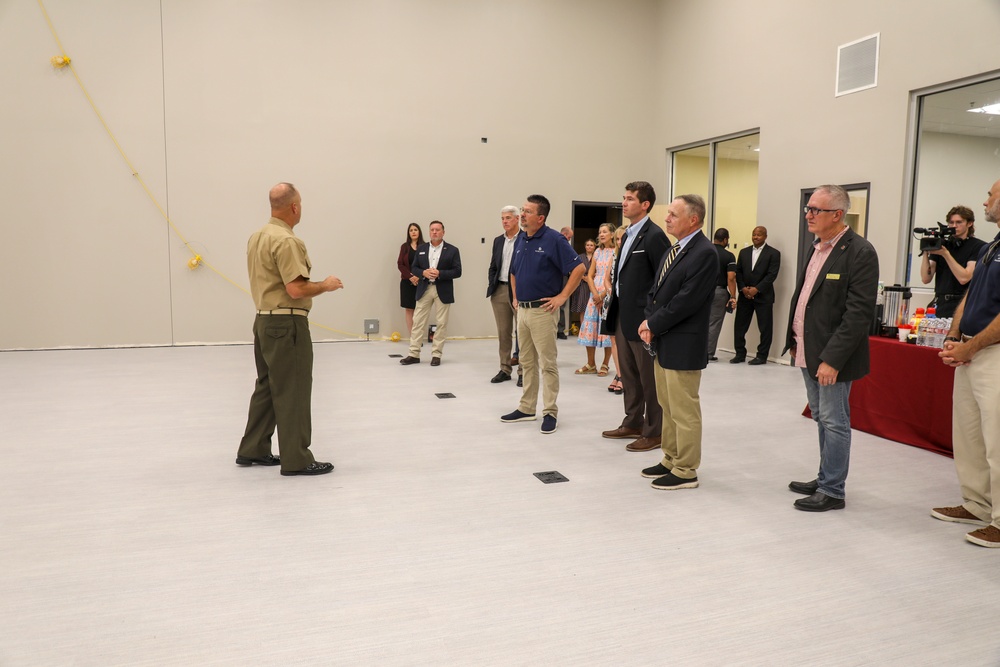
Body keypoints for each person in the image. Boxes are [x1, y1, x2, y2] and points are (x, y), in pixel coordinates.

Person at [236, 182, 342, 477]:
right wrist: (326, 285)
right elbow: (296, 289)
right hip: (287, 323)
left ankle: (253, 448)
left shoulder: (257, 237)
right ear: (294, 206)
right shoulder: (287, 241)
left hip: (263, 321)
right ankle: (297, 458)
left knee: (268, 386)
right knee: (293, 389)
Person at [784, 185, 879, 512]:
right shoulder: (818, 247)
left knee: (835, 420)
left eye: (815, 210)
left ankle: (833, 490)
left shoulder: (860, 252)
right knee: (822, 418)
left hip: (831, 358)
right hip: (807, 350)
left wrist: (832, 360)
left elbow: (858, 314)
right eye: (808, 208)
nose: (808, 215)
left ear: (837, 215)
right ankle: (826, 476)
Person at [934, 178, 1000, 547]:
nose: (986, 200)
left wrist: (971, 347)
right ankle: (977, 504)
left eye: (991, 195)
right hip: (971, 351)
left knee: (997, 439)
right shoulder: (993, 247)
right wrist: (954, 336)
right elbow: (970, 294)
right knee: (971, 435)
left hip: (992, 354)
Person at [637, 194, 717, 490]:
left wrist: (653, 324)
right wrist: (648, 321)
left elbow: (687, 301)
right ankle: (670, 457)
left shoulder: (704, 253)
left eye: (673, 214)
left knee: (684, 409)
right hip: (664, 340)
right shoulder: (677, 248)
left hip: (683, 343)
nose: (667, 218)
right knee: (667, 405)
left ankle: (686, 469)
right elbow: (655, 292)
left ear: (693, 219)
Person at [501, 195, 585, 434]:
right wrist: (516, 297)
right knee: (527, 362)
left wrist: (562, 297)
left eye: (527, 211)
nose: (522, 215)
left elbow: (579, 268)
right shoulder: (521, 239)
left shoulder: (554, 240)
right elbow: (514, 272)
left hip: (543, 311)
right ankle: (527, 408)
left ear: (541, 217)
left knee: (547, 364)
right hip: (524, 312)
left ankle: (550, 411)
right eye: (522, 210)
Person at [601, 181, 669, 452]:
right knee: (628, 375)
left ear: (645, 204)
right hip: (621, 314)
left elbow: (663, 280)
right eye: (624, 198)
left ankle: (654, 431)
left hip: (642, 319)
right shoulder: (628, 234)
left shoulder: (654, 236)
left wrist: (652, 319)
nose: (624, 203)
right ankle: (633, 421)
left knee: (648, 378)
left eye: (630, 199)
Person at [399, 221, 462, 366]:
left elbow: (457, 271)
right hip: (424, 288)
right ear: (429, 232)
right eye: (432, 230)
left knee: (441, 323)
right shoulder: (422, 248)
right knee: (418, 321)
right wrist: (423, 272)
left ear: (443, 232)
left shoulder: (452, 250)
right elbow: (414, 267)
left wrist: (440, 273)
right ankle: (413, 354)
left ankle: (436, 355)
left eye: (437, 230)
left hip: (442, 289)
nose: (434, 232)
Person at [920, 205, 986, 318]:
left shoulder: (978, 246)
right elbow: (926, 278)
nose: (954, 226)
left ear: (969, 223)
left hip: (961, 304)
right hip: (940, 304)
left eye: (959, 222)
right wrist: (926, 252)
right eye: (951, 222)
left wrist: (946, 254)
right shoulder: (943, 245)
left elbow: (964, 278)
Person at [732, 226, 781, 365]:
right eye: (754, 234)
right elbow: (739, 272)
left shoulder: (774, 253)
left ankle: (762, 356)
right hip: (745, 295)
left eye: (759, 235)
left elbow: (772, 275)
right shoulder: (744, 252)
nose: (755, 237)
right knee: (740, 326)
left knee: (765, 327)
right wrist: (742, 288)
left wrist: (757, 289)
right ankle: (740, 353)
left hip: (763, 296)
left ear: (765, 236)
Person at [487, 205, 522, 383]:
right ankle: (505, 369)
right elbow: (493, 265)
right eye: (502, 218)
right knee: (503, 332)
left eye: (508, 218)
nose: (505, 221)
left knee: (523, 333)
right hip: (499, 290)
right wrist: (491, 284)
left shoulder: (525, 238)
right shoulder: (498, 241)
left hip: (519, 292)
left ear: (517, 219)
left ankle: (523, 371)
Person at [575, 224, 615, 376]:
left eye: (604, 232)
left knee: (607, 328)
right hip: (594, 294)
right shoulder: (598, 251)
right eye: (600, 232)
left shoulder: (616, 251)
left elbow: (614, 277)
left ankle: (605, 364)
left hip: (608, 292)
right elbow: (590, 275)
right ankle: (591, 363)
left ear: (612, 234)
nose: (601, 234)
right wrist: (595, 294)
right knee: (590, 327)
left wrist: (603, 294)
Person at [707, 228, 737, 362]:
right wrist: (733, 296)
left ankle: (696, 350)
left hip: (703, 291)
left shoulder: (705, 252)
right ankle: (707, 354)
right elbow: (731, 277)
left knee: (701, 321)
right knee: (714, 323)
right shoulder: (729, 256)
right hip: (719, 292)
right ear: (725, 240)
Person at [605, 226, 628, 394]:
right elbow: (607, 279)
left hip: (626, 302)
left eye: (622, 238)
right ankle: (619, 374)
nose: (620, 242)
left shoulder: (630, 256)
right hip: (612, 301)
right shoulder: (613, 256)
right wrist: (609, 290)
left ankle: (626, 377)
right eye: (618, 239)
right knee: (613, 340)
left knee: (625, 341)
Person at [397, 223, 424, 335]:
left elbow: (427, 264)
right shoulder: (404, 247)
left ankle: (418, 335)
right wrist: (411, 277)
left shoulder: (425, 246)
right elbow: (400, 264)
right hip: (407, 282)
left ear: (419, 232)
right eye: (411, 230)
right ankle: (412, 336)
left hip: (421, 282)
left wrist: (419, 276)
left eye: (415, 230)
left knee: (420, 310)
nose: (413, 232)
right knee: (409, 309)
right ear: (408, 233)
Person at [570, 238, 596, 330]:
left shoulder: (597, 257)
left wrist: (591, 278)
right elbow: (574, 269)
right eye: (587, 245)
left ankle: (592, 330)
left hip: (594, 285)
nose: (589, 247)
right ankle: (583, 330)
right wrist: (584, 278)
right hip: (582, 285)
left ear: (594, 247)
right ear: (585, 247)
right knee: (583, 308)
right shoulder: (580, 257)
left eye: (591, 245)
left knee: (593, 308)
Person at [556, 226, 575, 339]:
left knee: (562, 305)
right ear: (564, 234)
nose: (569, 239)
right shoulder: (552, 244)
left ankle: (560, 330)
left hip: (563, 277)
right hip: (553, 278)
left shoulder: (567, 247)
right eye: (569, 237)